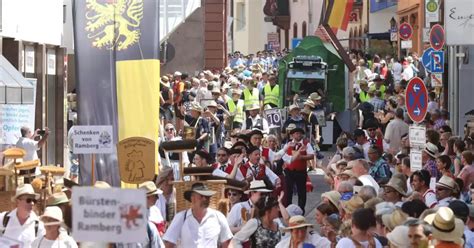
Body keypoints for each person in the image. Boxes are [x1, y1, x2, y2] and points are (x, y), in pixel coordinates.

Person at [163, 183, 232, 247]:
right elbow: (168, 244)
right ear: (192, 198)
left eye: (207, 196)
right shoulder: (181, 217)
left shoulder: (218, 217)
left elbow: (228, 244)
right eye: (201, 196)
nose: (205, 199)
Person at [281, 126, 314, 211]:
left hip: (301, 171)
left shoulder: (306, 144)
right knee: (288, 191)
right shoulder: (288, 144)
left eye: (300, 133)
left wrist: (301, 157)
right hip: (289, 171)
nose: (298, 135)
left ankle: (301, 210)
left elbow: (311, 155)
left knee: (301, 191)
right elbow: (283, 154)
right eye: (296, 133)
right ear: (292, 135)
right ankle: (288, 209)